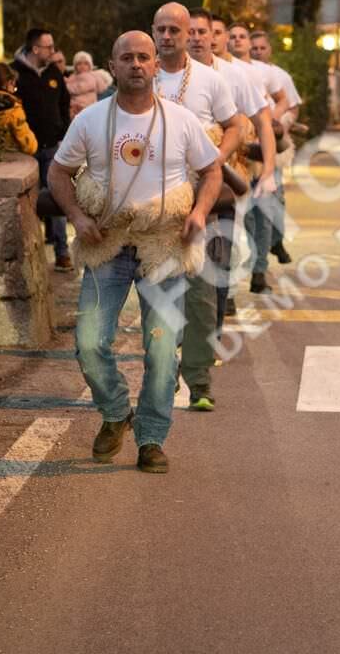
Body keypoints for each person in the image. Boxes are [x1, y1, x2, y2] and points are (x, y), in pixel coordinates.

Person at [48, 31, 221, 474]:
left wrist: (199, 212)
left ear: (155, 65)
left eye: (144, 57)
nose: (137, 64)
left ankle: (151, 439)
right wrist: (77, 216)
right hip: (106, 243)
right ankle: (115, 412)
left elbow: (212, 170)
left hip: (163, 245)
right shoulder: (90, 120)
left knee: (162, 350)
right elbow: (59, 172)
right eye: (127, 58)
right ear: (113, 65)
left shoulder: (181, 120)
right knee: (89, 342)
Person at [152, 3, 245, 412]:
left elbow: (236, 124)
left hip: (202, 198)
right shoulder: (142, 75)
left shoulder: (210, 79)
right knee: (159, 293)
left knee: (202, 295)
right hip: (153, 203)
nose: (170, 36)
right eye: (162, 29)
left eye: (177, 29)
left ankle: (200, 382)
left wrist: (216, 160)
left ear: (189, 31)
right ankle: (163, 372)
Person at [194, 11, 274, 312]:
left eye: (213, 32)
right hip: (182, 174)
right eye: (198, 32)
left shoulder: (235, 75)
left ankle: (223, 296)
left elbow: (262, 121)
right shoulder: (170, 73)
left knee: (227, 236)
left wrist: (268, 170)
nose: (206, 38)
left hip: (229, 169)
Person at [229, 22, 291, 292]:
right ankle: (230, 287)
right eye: (232, 36)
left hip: (262, 153)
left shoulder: (264, 72)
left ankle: (259, 271)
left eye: (242, 36)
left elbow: (283, 100)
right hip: (236, 155)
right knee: (241, 221)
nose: (237, 40)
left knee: (265, 215)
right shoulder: (220, 70)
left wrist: (270, 122)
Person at [14, 27, 73, 271]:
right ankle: (29, 254)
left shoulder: (53, 72)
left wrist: (63, 131)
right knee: (27, 203)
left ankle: (62, 252)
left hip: (52, 147)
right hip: (25, 151)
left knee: (58, 197)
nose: (53, 50)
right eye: (49, 47)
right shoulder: (16, 74)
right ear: (36, 49)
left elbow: (64, 103)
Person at [249, 29, 302, 264]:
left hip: (274, 147)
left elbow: (292, 107)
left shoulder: (279, 75)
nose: (258, 52)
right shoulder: (240, 72)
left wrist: (278, 122)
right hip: (249, 148)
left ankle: (276, 240)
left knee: (276, 199)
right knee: (255, 208)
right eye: (254, 48)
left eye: (262, 48)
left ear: (269, 50)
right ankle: (259, 257)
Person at [0, 62, 38, 155]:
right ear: (9, 83)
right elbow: (29, 146)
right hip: (8, 156)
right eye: (14, 85)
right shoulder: (13, 110)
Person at [67, 51, 110, 116]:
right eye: (79, 64)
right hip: (75, 105)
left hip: (86, 105)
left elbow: (81, 88)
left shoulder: (90, 76)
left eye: (85, 64)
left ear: (90, 66)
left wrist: (67, 86)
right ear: (75, 66)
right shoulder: (73, 76)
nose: (82, 66)